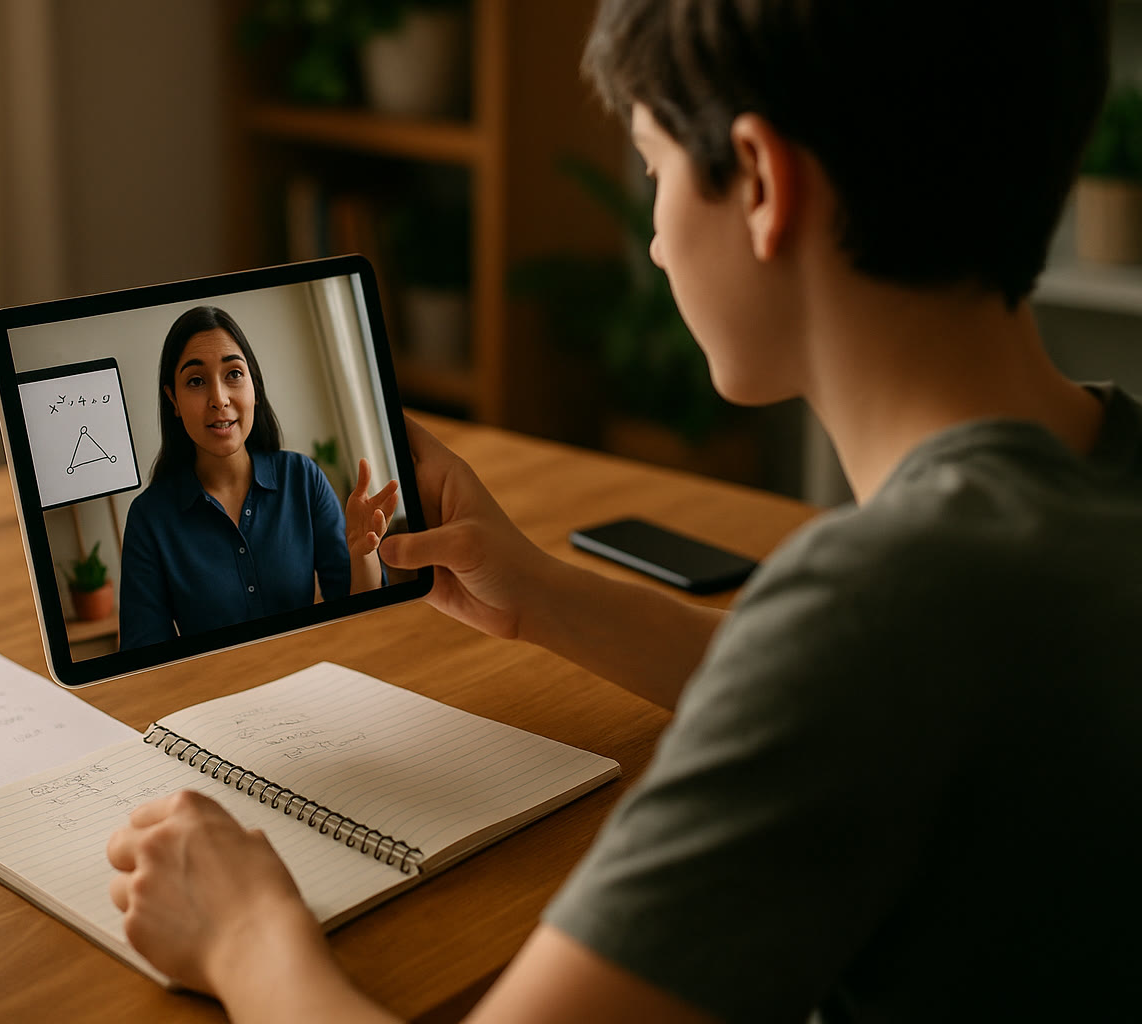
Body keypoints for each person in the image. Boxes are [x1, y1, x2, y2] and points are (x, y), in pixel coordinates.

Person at [105, 1, 1142, 1019]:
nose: (651, 239)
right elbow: (868, 690)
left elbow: (850, 665)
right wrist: (545, 598)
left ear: (763, 184)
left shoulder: (882, 611)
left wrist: (244, 934)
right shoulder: (1087, 488)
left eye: (652, 167)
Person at [119, 305, 397, 650]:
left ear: (254, 386)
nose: (219, 400)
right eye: (196, 381)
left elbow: (361, 621)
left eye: (233, 374)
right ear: (173, 400)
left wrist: (363, 554)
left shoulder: (303, 478)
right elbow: (144, 657)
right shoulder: (149, 518)